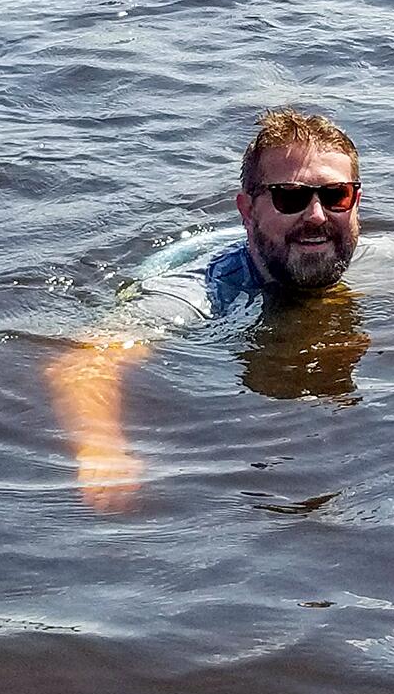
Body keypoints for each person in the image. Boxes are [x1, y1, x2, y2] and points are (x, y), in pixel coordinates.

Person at [46, 109, 363, 510]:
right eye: (290, 198)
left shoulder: (383, 259)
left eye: (336, 196)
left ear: (356, 202)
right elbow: (86, 362)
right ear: (247, 211)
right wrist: (101, 449)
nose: (317, 215)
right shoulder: (199, 295)